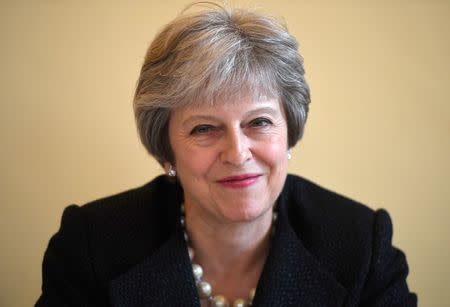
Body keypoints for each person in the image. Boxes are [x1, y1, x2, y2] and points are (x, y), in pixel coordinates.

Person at [36, 2, 417, 307]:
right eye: (204, 128)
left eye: (259, 122)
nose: (237, 153)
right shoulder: (92, 244)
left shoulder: (360, 245)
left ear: (290, 133)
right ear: (166, 149)